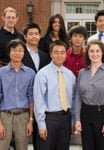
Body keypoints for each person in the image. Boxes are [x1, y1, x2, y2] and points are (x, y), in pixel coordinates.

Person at [34, 40, 76, 150]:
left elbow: (73, 99)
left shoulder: (70, 75)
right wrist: (41, 125)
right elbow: (39, 101)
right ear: (50, 54)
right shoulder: (42, 74)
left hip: (66, 119)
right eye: (56, 52)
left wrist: (72, 121)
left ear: (66, 54)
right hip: (49, 119)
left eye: (62, 52)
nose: (59, 55)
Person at [75, 39, 104, 150]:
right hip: (85, 114)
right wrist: (77, 119)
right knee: (87, 147)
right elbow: (78, 97)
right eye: (91, 51)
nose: (95, 54)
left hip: (101, 114)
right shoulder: (82, 72)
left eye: (98, 51)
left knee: (102, 147)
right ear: (87, 54)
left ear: (102, 53)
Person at [0, 39, 35, 150]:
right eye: (14, 50)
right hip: (5, 116)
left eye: (20, 50)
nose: (17, 53)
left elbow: (31, 97)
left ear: (24, 53)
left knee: (22, 148)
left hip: (23, 117)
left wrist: (30, 120)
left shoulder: (30, 73)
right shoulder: (1, 72)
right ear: (8, 53)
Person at [22, 22, 50, 150]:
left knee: (40, 138)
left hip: (42, 102)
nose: (34, 36)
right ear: (25, 36)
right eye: (31, 34)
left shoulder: (45, 57)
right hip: (24, 101)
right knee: (21, 138)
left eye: (37, 34)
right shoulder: (20, 55)